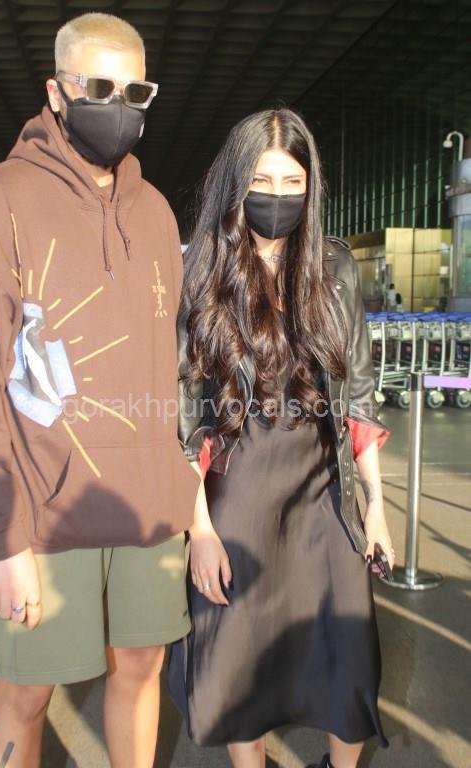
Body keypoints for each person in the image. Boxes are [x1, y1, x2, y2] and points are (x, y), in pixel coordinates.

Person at [0, 13, 199, 768]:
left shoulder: (155, 213)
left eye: (135, 91)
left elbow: (169, 367)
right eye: (98, 88)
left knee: (142, 668)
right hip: (44, 511)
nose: (119, 106)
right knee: (26, 690)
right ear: (56, 93)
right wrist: (0, 538)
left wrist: (187, 502)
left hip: (147, 508)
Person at [169, 108, 394, 768]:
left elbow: (357, 390)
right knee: (241, 657)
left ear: (310, 187)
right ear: (235, 184)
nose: (278, 196)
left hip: (324, 490)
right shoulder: (202, 273)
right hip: (237, 493)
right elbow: (184, 412)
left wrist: (376, 505)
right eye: (262, 181)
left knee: (348, 658)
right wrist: (199, 529)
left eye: (292, 182)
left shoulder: (334, 266)